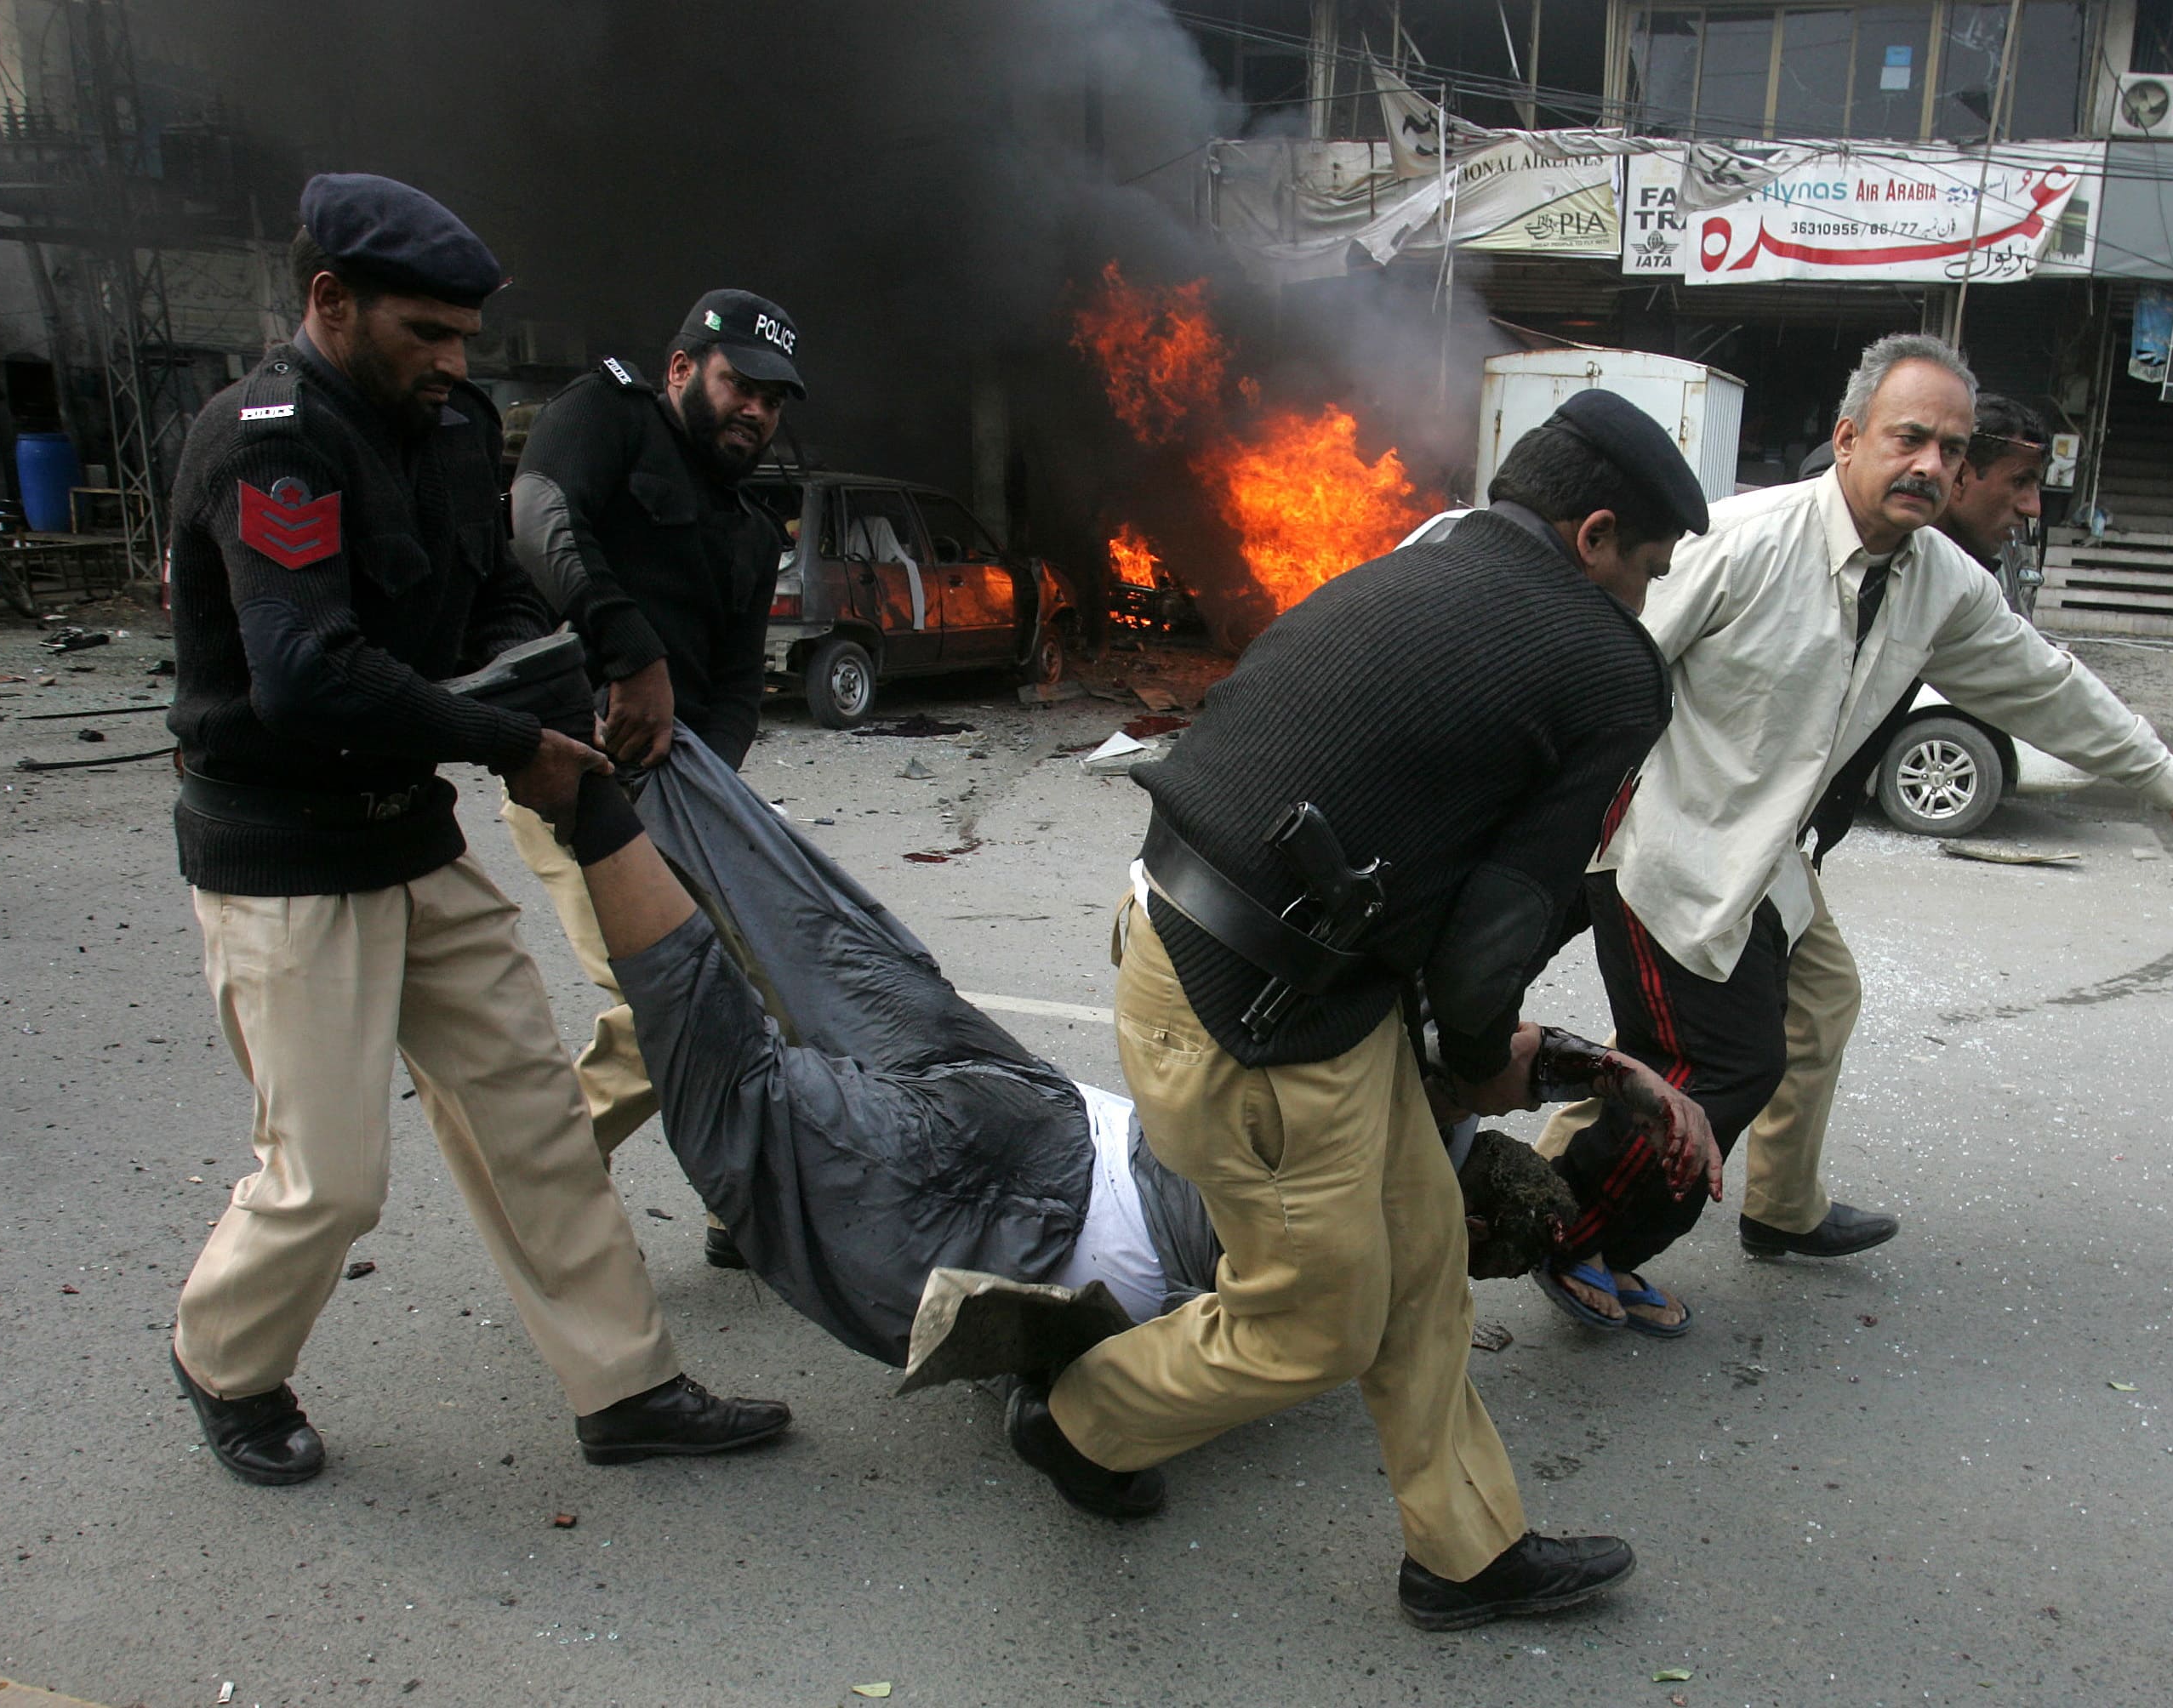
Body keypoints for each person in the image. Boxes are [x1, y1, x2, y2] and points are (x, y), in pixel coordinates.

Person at [984, 391, 1709, 1632]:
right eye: (1644, 568)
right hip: (1260, 1022)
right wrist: (1479, 1061)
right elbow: (1497, 932)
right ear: (1593, 537)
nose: (1642, 598)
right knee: (1316, 1325)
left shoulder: (1412, 564)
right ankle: (1080, 1421)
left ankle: (1465, 1553)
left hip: (1219, 955)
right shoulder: (1603, 661)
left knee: (1422, 1255)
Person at [159, 173, 789, 1487]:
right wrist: (514, 743)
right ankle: (227, 1360)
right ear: (331, 301)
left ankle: (625, 1386)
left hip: (406, 838)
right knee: (329, 1180)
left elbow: (489, 592)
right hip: (288, 861)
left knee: (533, 1125)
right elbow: (307, 674)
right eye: (426, 336)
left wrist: (562, 684)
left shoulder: (440, 430)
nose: (456, 366)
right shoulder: (267, 440)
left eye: (464, 340)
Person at [453, 669, 1594, 1363]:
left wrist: (1615, 1076)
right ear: (1470, 1237)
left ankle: (622, 741)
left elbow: (1481, 1062)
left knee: (832, 942)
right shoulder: (1364, 1257)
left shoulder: (1404, 1109)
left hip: (1039, 1114)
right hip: (1011, 1207)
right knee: (741, 1098)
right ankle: (593, 801)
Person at [1537, 334, 2173, 1326]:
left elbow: (2044, 683)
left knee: (1813, 1006)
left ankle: (1773, 1209)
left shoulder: (1940, 580)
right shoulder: (1743, 540)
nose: (1933, 466)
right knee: (1718, 1068)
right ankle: (1569, 1231)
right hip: (1673, 853)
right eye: (1911, 438)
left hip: (1772, 862)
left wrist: (2169, 781)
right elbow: (1599, 661)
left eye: (1952, 450)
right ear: (1848, 438)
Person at [504, 292, 801, 1258]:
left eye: (771, 398)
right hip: (573, 776)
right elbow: (538, 515)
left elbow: (733, 690)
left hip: (677, 798)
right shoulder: (611, 416)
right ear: (683, 370)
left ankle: (736, 1204)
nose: (753, 410)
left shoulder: (754, 531)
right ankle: (539, 1192)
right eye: (737, 384)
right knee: (665, 1001)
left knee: (753, 992)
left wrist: (707, 791)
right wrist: (625, 649)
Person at [1934, 392, 2050, 617]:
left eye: (2036, 486)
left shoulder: (1987, 597)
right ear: (1959, 477)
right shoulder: (1887, 566)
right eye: (2019, 482)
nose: (2033, 508)